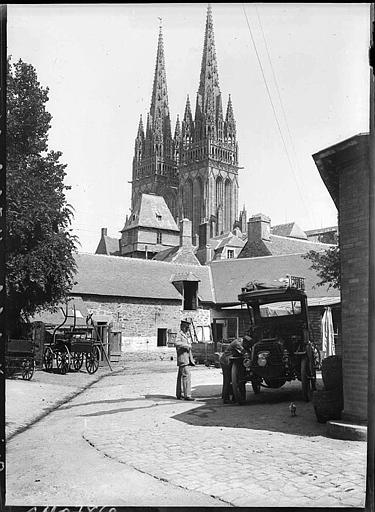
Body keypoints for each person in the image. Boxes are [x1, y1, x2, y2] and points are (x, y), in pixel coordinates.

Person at [219, 334, 254, 404]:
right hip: (225, 361)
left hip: (232, 361)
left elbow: (247, 351)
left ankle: (233, 397)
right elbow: (244, 352)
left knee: (232, 379)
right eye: (248, 345)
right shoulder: (237, 343)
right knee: (228, 380)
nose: (248, 347)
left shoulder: (243, 343)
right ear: (245, 342)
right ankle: (225, 399)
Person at [175, 319, 196, 401]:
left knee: (181, 376)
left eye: (188, 328)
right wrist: (187, 345)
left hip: (185, 358)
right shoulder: (179, 334)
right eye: (186, 327)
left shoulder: (184, 335)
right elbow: (176, 343)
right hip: (183, 358)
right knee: (187, 375)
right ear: (182, 327)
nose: (187, 329)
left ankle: (179, 394)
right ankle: (187, 395)